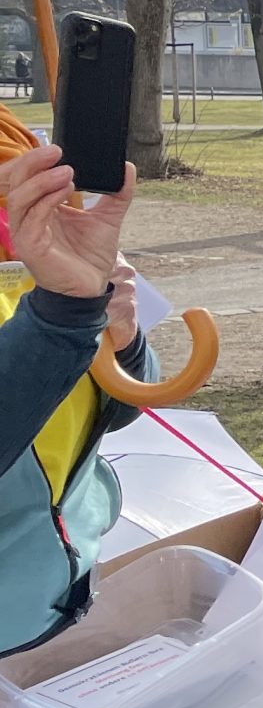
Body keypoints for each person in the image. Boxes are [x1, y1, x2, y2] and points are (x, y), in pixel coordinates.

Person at [0, 129, 152, 657]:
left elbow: (122, 406)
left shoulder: (34, 180)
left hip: (61, 590)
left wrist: (124, 336)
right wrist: (65, 314)